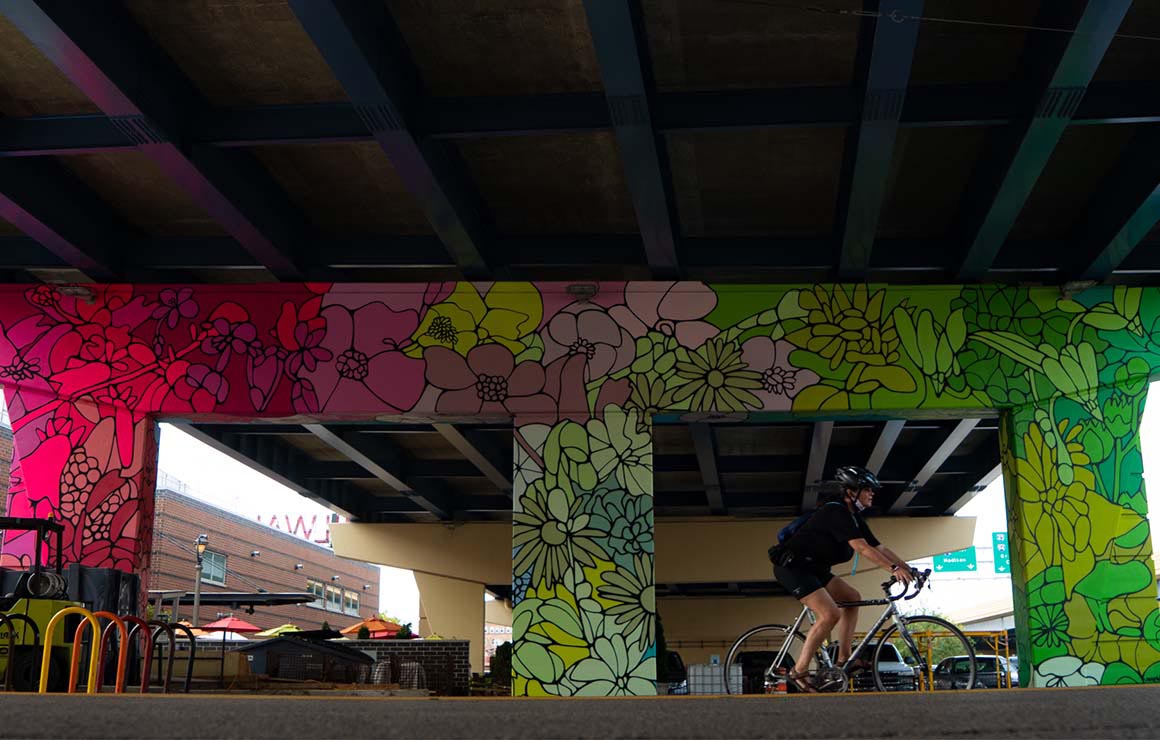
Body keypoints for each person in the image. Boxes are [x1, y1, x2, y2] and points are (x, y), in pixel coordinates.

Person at [770, 465, 916, 693]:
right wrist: (893, 569)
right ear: (852, 491)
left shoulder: (853, 517)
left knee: (852, 598)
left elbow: (878, 547)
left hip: (815, 568)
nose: (872, 494)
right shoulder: (835, 512)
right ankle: (798, 670)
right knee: (830, 614)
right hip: (794, 568)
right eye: (868, 489)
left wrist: (909, 569)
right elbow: (861, 548)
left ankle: (844, 658)